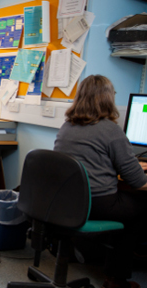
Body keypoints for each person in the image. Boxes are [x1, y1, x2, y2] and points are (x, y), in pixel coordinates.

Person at [53, 75, 147, 288]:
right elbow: (137, 181)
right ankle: (116, 278)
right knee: (141, 205)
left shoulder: (67, 127)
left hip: (66, 202)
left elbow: (91, 161)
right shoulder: (111, 130)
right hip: (96, 203)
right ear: (107, 99)